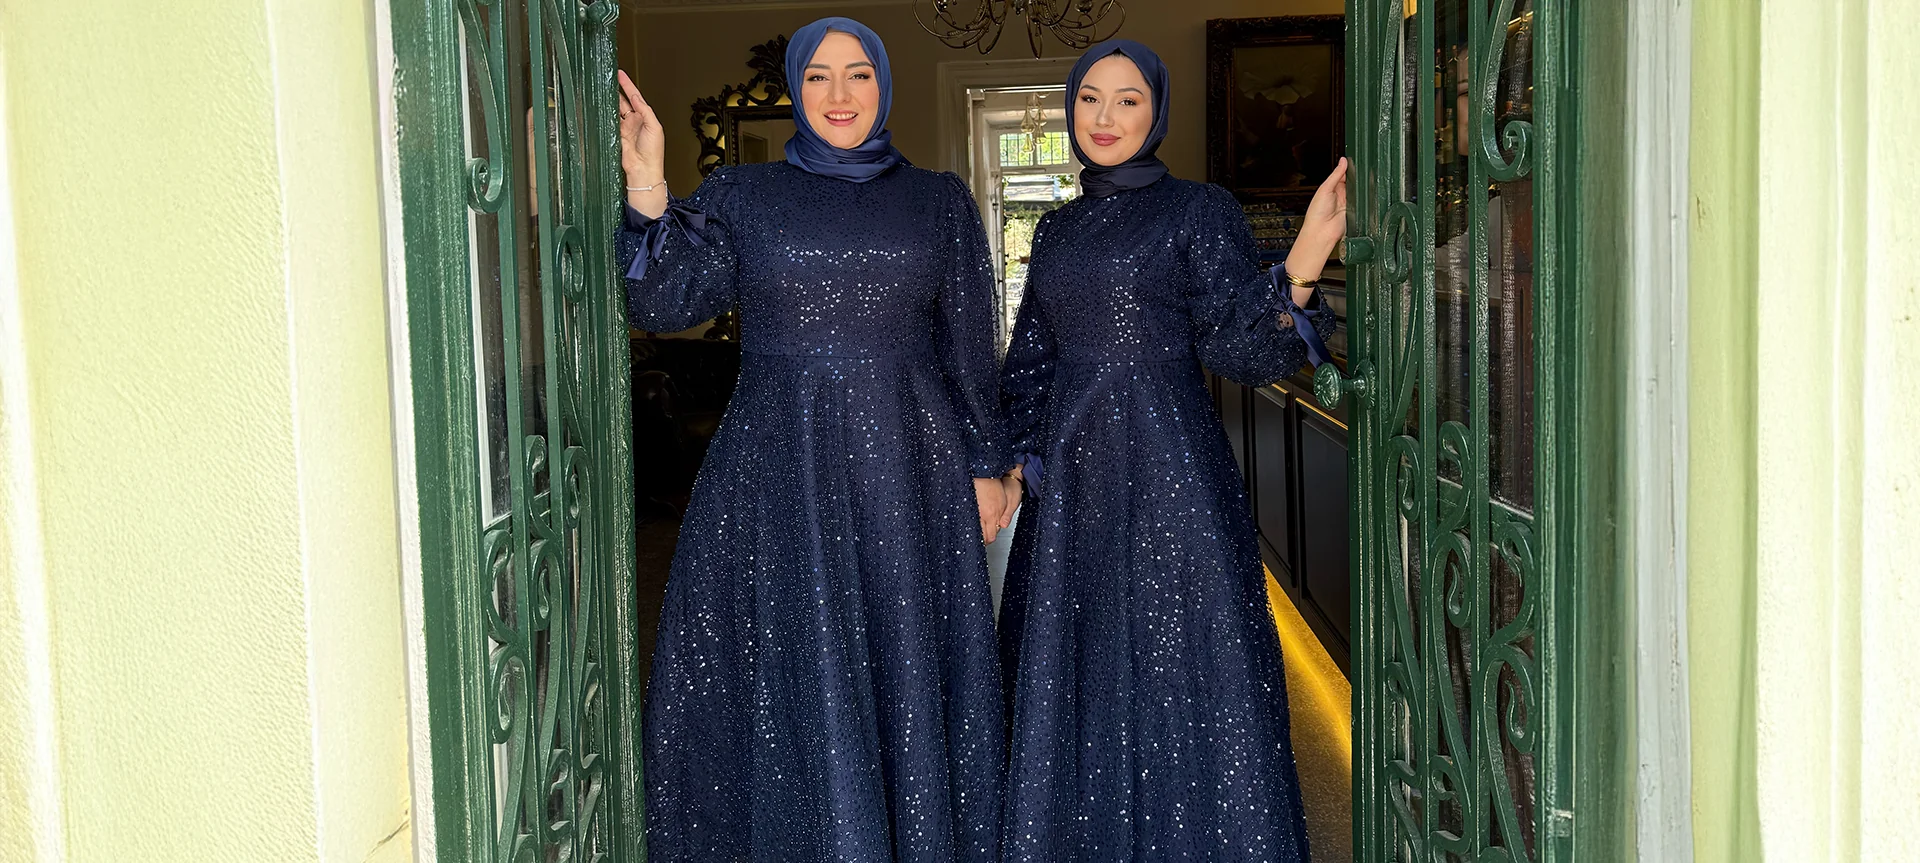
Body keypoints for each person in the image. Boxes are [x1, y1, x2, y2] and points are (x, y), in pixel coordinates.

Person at [615, 17, 1010, 862]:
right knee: (795, 656)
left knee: (902, 663)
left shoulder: (938, 201)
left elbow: (969, 344)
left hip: (908, 466)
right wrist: (648, 185)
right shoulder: (740, 194)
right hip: (776, 466)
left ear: (883, 85)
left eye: (858, 74)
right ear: (795, 89)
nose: (839, 94)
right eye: (819, 76)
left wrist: (988, 462)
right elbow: (666, 302)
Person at [993, 39, 1345, 862]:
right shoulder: (1056, 230)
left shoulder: (1198, 209)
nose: (1104, 117)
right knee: (1081, 664)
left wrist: (1305, 256)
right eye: (1089, 98)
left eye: (1127, 100)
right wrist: (1013, 462)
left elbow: (1236, 348)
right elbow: (1032, 357)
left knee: (1181, 659)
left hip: (1170, 469)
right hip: (1072, 479)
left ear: (1156, 112)